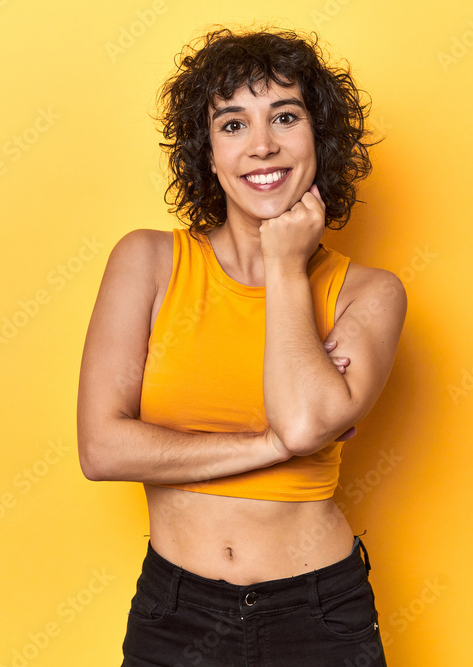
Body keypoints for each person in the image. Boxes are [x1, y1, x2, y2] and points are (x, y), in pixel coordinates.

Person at [76, 25, 406, 665]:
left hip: (319, 613)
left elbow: (304, 421)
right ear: (207, 154)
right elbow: (103, 448)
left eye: (285, 117)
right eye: (233, 125)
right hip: (175, 613)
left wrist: (284, 264)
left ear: (318, 138)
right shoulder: (148, 261)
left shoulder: (369, 293)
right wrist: (273, 446)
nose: (262, 146)